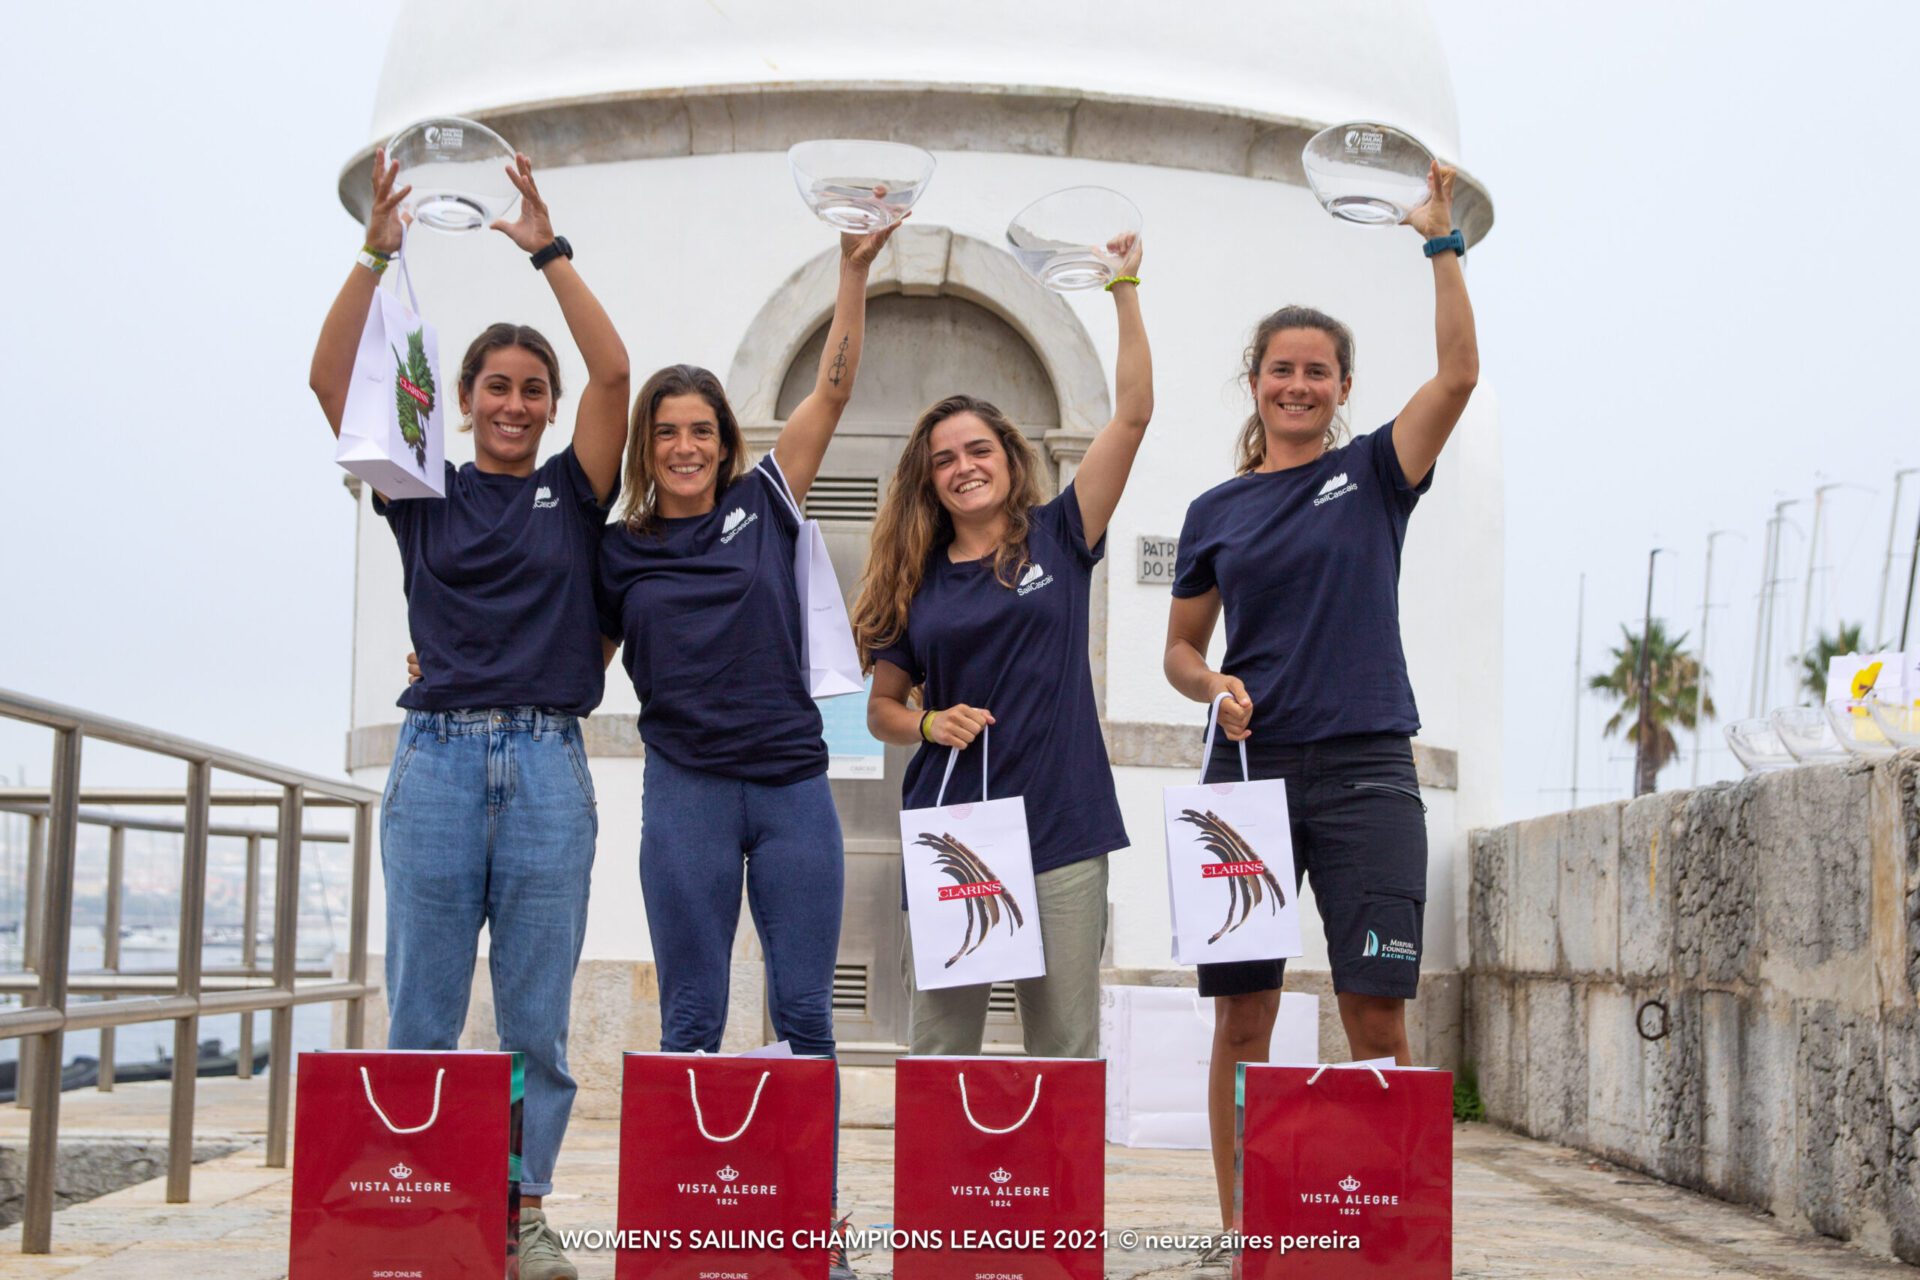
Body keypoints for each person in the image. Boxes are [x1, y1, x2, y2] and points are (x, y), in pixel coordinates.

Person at [308, 149, 628, 1280]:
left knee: (535, 1019)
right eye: (495, 386)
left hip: (546, 764)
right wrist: (374, 255)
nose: (514, 402)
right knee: (425, 1011)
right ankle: (426, 1212)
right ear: (463, 401)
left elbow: (614, 374)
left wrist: (547, 248)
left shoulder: (573, 491)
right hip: (438, 760)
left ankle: (522, 1211)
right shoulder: (422, 488)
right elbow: (328, 379)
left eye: (529, 389)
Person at [1161, 161, 1478, 1239]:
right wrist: (1213, 684)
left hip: (1369, 772)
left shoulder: (1379, 474)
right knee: (1241, 1018)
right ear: (1253, 381)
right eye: (1280, 369)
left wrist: (1440, 244)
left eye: (1318, 371)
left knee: (1373, 1011)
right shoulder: (1214, 508)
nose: (1297, 384)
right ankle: (1244, 1228)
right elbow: (1178, 649)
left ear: (1342, 386)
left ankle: (1377, 1232)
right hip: (1243, 780)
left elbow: (1460, 376)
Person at [595, 222, 896, 1279]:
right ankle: (688, 1231)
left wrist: (853, 272)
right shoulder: (620, 553)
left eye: (700, 429)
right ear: (647, 445)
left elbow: (835, 387)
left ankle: (806, 1227)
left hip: (790, 787)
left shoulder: (764, 503)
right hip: (685, 792)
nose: (684, 445)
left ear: (725, 440)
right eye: (666, 431)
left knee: (806, 1011)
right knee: (692, 1013)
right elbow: (565, 653)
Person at [855, 236, 1152, 1058]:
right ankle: (938, 1193)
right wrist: (926, 723)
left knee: (1062, 1050)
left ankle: (1057, 1196)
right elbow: (882, 706)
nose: (964, 467)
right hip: (956, 832)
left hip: (1062, 825)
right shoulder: (911, 578)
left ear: (1009, 458)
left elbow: (1131, 415)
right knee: (942, 1050)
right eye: (944, 459)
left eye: (978, 449)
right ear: (928, 479)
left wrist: (1123, 286)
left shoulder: (1061, 535)